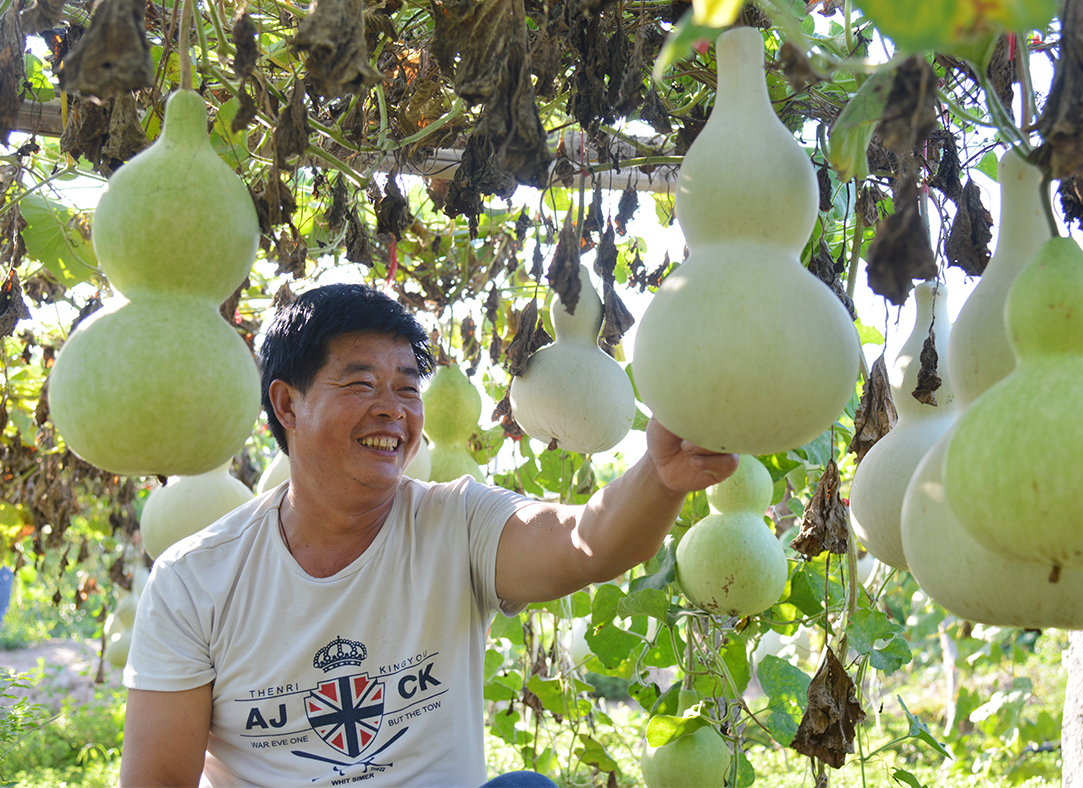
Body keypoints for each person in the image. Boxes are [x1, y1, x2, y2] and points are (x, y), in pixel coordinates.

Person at [118, 283, 738, 788]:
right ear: (286, 404)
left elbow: (592, 542)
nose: (394, 408)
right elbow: (158, 778)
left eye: (407, 387)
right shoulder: (195, 578)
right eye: (360, 383)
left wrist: (661, 475)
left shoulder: (458, 522)